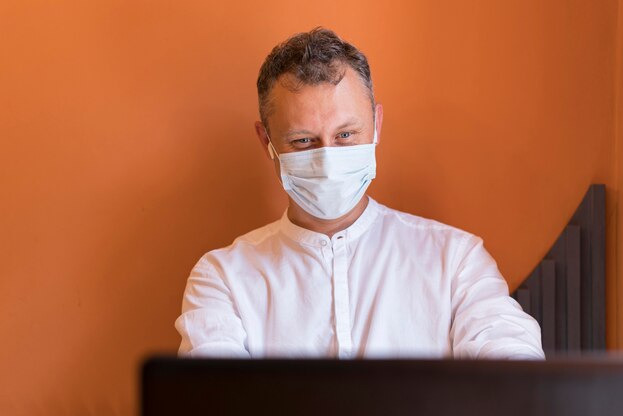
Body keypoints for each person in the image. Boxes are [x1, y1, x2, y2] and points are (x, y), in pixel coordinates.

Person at [175, 27, 544, 360]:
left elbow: (515, 368)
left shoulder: (456, 262)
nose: (329, 158)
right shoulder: (222, 278)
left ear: (376, 125)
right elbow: (211, 397)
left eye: (346, 135)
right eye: (303, 141)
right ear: (266, 141)